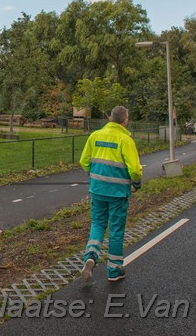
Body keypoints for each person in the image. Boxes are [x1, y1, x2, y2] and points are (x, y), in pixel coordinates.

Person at [79, 106, 143, 282]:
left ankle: (91, 256)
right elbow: (135, 169)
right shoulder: (125, 140)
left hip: (97, 190)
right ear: (125, 120)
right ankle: (114, 271)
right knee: (116, 229)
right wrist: (136, 183)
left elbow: (84, 161)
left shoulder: (95, 136)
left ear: (110, 118)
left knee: (98, 224)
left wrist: (96, 177)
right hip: (118, 193)